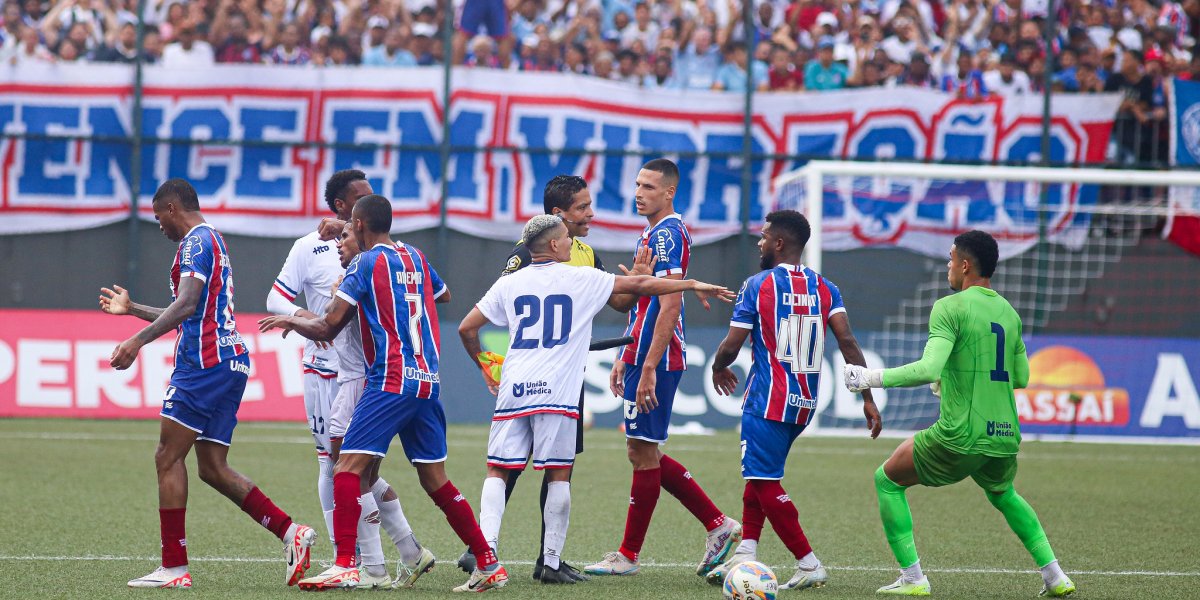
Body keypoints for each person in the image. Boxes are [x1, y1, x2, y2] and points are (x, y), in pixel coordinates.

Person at [459, 214, 735, 585]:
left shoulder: (508, 283)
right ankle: (551, 562)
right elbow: (641, 284)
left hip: (514, 388)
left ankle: (487, 559)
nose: (570, 243)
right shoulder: (582, 278)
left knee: (497, 470)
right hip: (557, 393)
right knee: (558, 474)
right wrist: (691, 282)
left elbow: (467, 328)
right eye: (566, 239)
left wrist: (482, 364)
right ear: (554, 245)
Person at [258, 195, 508, 593]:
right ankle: (488, 562)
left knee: (345, 468)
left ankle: (346, 564)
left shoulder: (365, 263)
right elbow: (443, 294)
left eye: (348, 230)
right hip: (427, 379)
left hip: (390, 379)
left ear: (358, 224)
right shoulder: (415, 256)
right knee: (435, 480)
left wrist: (291, 319)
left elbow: (328, 327)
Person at [99, 178, 316, 589]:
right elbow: (189, 310)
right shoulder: (210, 240)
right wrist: (133, 309)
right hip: (228, 360)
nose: (159, 225)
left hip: (204, 363)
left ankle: (174, 567)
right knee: (213, 468)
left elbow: (186, 305)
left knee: (167, 456)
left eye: (158, 216)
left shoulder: (195, 243)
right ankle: (291, 532)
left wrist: (136, 342)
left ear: (172, 208)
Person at [843, 230, 1076, 597]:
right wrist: (955, 377)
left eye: (951, 259)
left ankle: (913, 578)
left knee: (887, 480)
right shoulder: (1009, 313)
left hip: (960, 434)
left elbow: (927, 369)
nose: (948, 267)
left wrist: (868, 378)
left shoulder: (950, 307)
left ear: (965, 265)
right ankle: (1055, 575)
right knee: (1003, 493)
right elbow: (1021, 377)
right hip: (1004, 434)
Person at [454, 176, 651, 581]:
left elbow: (618, 302)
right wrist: (489, 365)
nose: (590, 214)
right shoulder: (527, 254)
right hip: (536, 373)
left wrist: (637, 279)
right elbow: (503, 299)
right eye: (582, 207)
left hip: (568, 373)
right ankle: (482, 550)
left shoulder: (586, 253)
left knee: (558, 467)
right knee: (512, 465)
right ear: (558, 215)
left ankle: (546, 560)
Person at [265, 169, 430, 588]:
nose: (369, 202)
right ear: (341, 205)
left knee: (347, 466)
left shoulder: (374, 252)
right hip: (323, 370)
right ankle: (398, 552)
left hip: (363, 375)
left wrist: (316, 323)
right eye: (361, 197)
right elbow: (276, 297)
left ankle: (361, 562)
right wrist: (304, 316)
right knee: (344, 466)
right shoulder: (310, 246)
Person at [706, 210, 883, 590]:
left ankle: (808, 562)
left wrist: (718, 367)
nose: (759, 242)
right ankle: (746, 551)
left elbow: (732, 345)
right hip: (804, 402)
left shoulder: (758, 285)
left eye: (764, 236)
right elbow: (848, 343)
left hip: (768, 399)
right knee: (760, 474)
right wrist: (867, 397)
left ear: (779, 243)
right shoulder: (825, 287)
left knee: (764, 481)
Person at [585, 158, 742, 578]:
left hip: (659, 357)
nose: (639, 193)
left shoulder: (668, 234)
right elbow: (644, 301)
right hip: (641, 353)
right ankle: (718, 525)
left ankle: (629, 555)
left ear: (669, 192)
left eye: (649, 187)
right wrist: (626, 355)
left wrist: (650, 365)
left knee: (641, 453)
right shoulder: (652, 232)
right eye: (638, 185)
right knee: (644, 449)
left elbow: (671, 303)